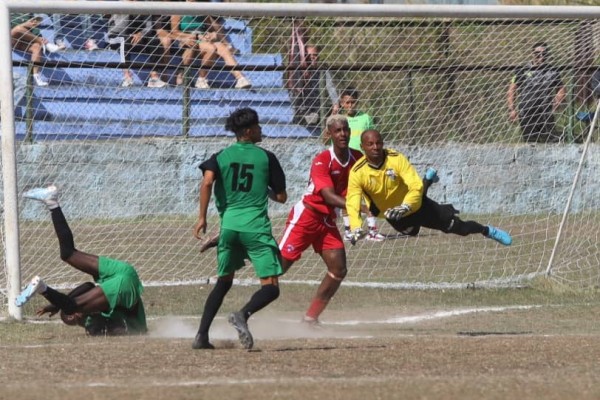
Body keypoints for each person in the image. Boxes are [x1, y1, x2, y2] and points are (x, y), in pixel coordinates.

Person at [199, 115, 362, 325]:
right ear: (328, 134)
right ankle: (243, 308)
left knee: (338, 268)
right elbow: (318, 196)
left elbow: (207, 182)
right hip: (307, 216)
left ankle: (310, 318)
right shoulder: (321, 159)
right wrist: (363, 207)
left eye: (345, 129)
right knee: (277, 269)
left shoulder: (358, 158)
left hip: (327, 220)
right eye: (338, 130)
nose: (343, 134)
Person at [192, 107, 287, 350]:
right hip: (256, 228)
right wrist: (263, 189)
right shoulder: (266, 157)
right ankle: (243, 314)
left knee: (223, 283)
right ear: (248, 131)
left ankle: (201, 336)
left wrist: (202, 217)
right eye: (257, 126)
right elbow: (281, 197)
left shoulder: (221, 156)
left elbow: (207, 182)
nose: (261, 129)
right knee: (271, 288)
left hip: (229, 228)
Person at [15, 185, 147, 336]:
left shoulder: (93, 318)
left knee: (68, 254)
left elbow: (85, 289)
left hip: (124, 274)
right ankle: (51, 201)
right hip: (123, 280)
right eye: (73, 318)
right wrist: (60, 305)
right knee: (69, 264)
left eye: (71, 317)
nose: (75, 316)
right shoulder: (105, 322)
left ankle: (52, 203)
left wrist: (57, 304)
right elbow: (87, 288)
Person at [346, 130, 513, 247]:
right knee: (411, 232)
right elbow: (352, 201)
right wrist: (356, 227)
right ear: (362, 147)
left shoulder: (395, 158)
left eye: (378, 143)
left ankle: (487, 230)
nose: (375, 147)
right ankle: (429, 180)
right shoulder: (357, 172)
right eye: (370, 144)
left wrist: (407, 206)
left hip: (418, 206)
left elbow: (414, 185)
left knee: (459, 229)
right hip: (394, 216)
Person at [330, 87, 382, 241]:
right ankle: (349, 231)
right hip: (345, 162)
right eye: (347, 102)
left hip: (362, 162)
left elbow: (373, 137)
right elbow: (325, 138)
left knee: (369, 195)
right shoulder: (338, 121)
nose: (350, 105)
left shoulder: (365, 118)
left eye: (353, 102)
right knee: (346, 197)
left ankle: (372, 230)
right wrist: (333, 114)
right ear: (342, 103)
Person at [171, 0, 251, 89]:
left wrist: (212, 35)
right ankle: (201, 79)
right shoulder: (179, 9)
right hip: (188, 40)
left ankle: (240, 78)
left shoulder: (202, 10)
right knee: (211, 48)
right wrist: (196, 36)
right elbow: (174, 32)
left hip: (202, 40)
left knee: (223, 48)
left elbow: (211, 28)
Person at [507, 42, 566, 143]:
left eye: (544, 54)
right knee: (531, 142)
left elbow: (561, 88)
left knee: (549, 141)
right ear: (532, 54)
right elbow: (512, 89)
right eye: (538, 54)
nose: (541, 57)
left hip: (545, 113)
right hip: (527, 114)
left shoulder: (552, 71)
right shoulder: (523, 70)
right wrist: (511, 109)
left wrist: (557, 101)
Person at [107, 3, 168, 88]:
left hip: (137, 37)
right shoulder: (120, 4)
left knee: (154, 41)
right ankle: (127, 76)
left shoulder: (144, 4)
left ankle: (154, 78)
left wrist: (141, 34)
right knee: (124, 40)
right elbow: (121, 28)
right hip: (116, 35)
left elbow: (149, 27)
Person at [11, 14, 61, 87]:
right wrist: (24, 24)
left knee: (36, 47)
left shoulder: (28, 13)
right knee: (18, 29)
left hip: (24, 41)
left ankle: (36, 77)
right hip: (9, 40)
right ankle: (46, 45)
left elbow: (34, 30)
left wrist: (40, 37)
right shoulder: (6, 10)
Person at [292, 44, 322, 128]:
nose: (312, 57)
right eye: (309, 55)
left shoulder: (322, 71)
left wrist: (335, 104)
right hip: (303, 107)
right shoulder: (299, 73)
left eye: (315, 55)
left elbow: (331, 87)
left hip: (318, 106)